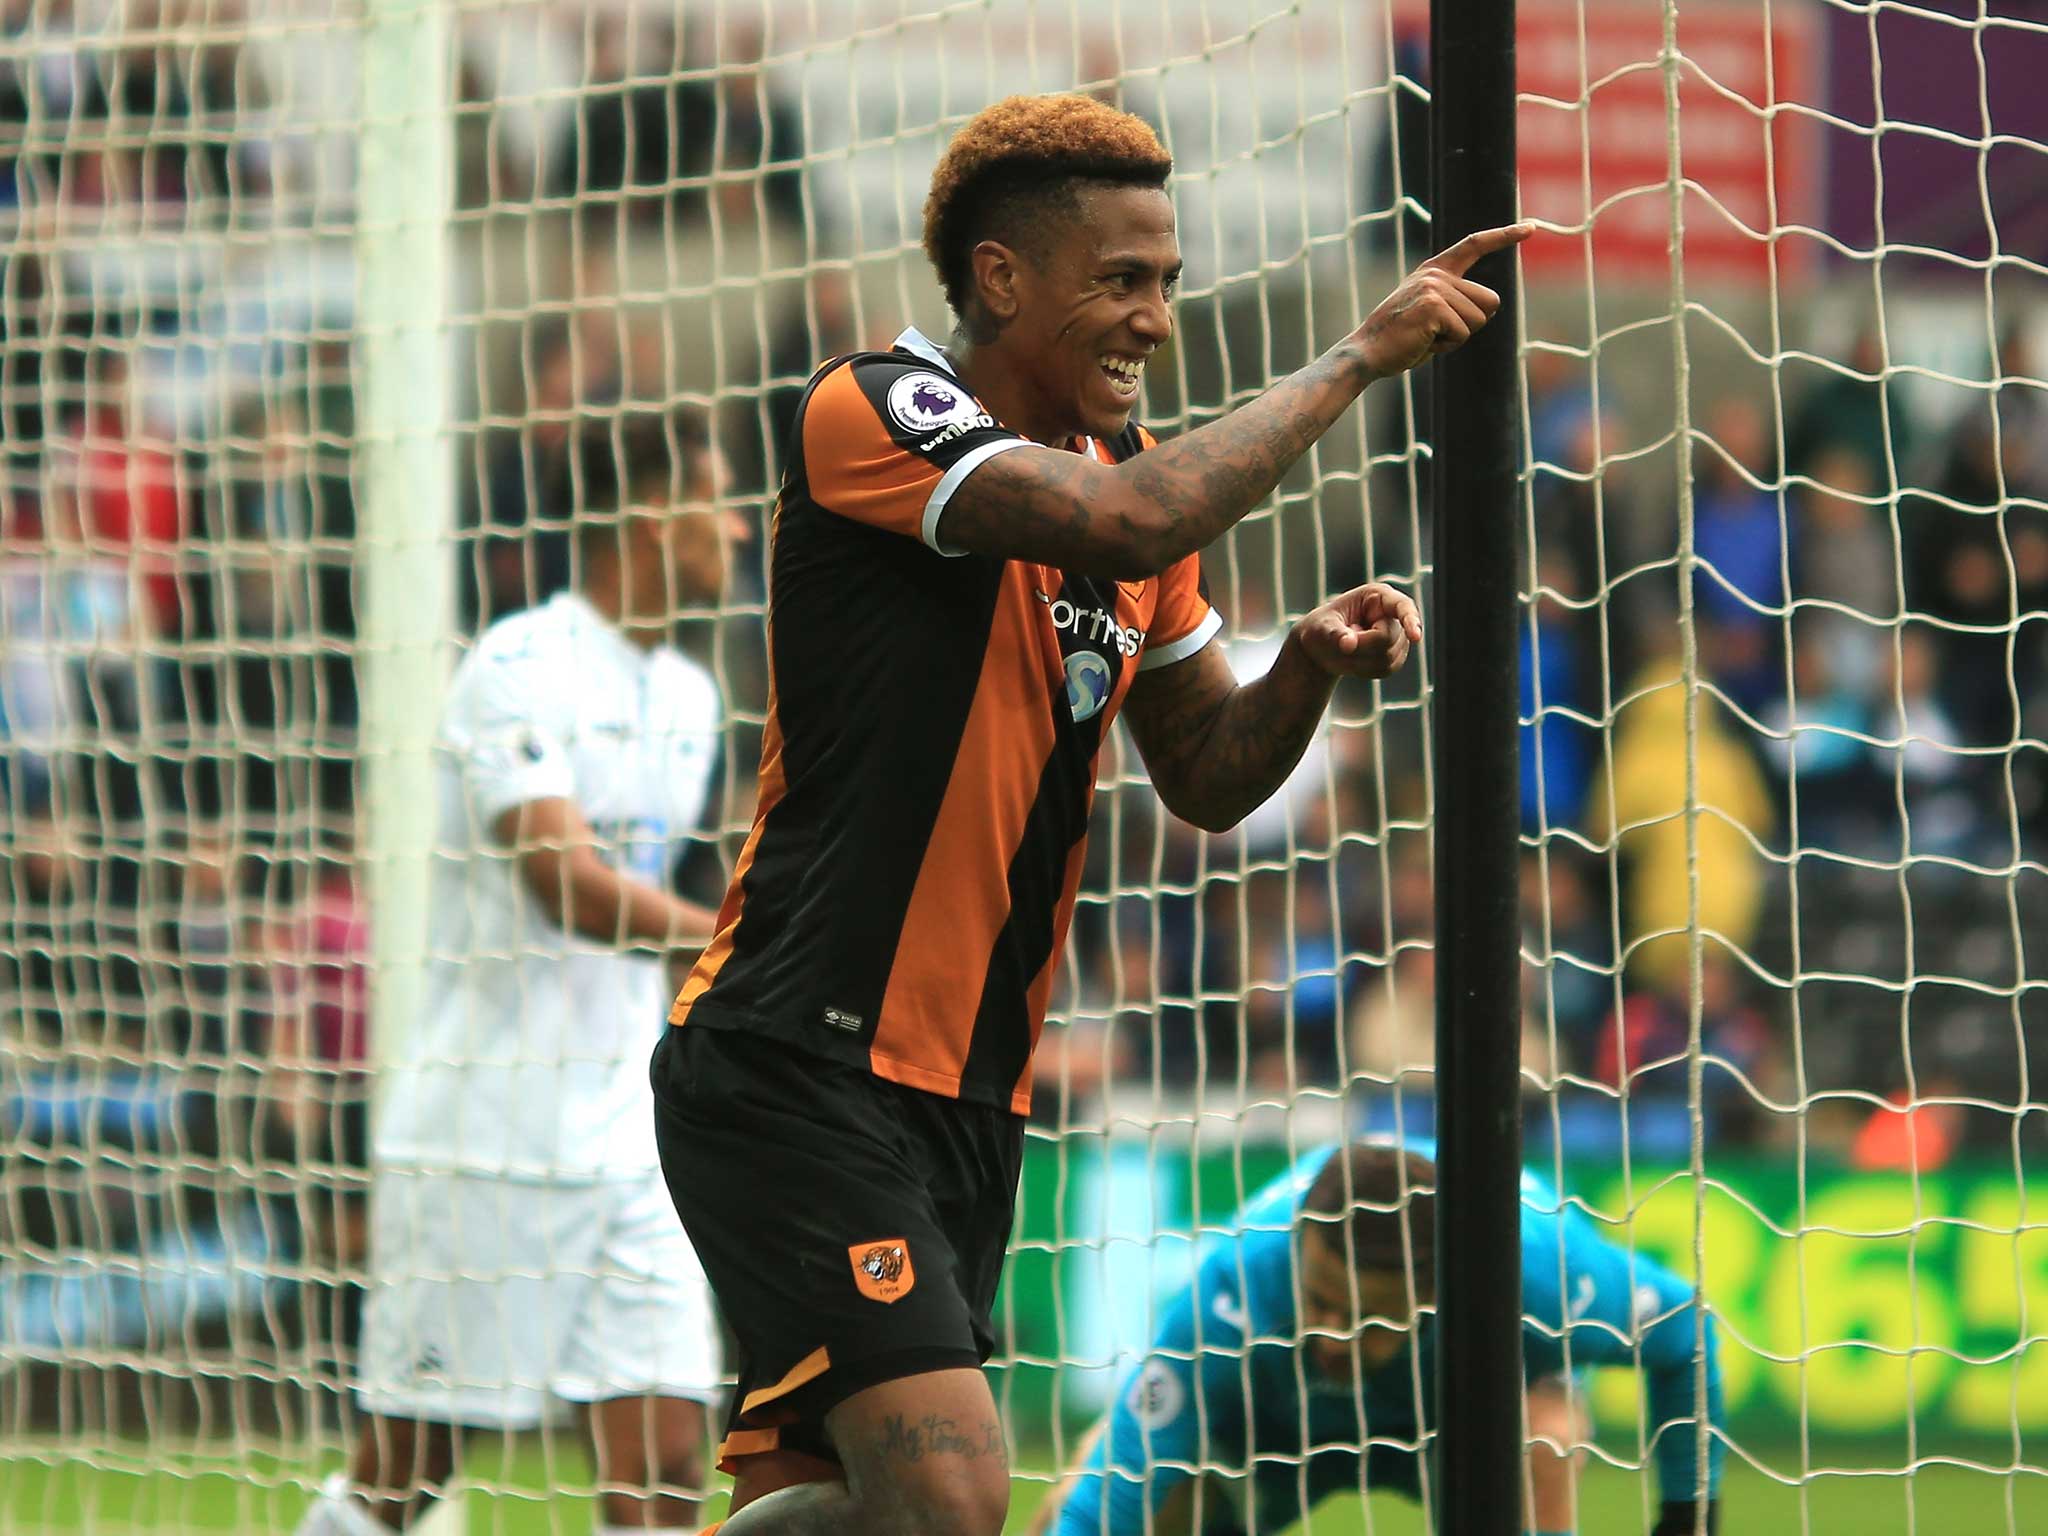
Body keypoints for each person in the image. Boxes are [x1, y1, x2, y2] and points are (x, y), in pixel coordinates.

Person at [650, 92, 1528, 1536]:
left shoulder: (1131, 497)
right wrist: (1360, 357)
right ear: (1003, 279)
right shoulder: (877, 408)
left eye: (1168, 284)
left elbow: (1205, 776)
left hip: (967, 1101)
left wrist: (1299, 668)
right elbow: (1125, 526)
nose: (1155, 320)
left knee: (860, 1508)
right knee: (953, 1496)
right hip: (792, 1061)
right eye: (1122, 281)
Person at [296, 409, 743, 1536]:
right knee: (407, 1476)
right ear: (651, 514)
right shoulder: (518, 665)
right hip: (484, 1133)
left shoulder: (688, 700)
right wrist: (731, 942)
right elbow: (568, 884)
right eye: (719, 501)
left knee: (668, 1463)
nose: (736, 530)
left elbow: (671, 899)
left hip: (624, 1139)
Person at [1036, 1139, 1724, 1536]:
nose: (1331, 1335)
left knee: (1546, 1432)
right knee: (1078, 1495)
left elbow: (1686, 1332)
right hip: (1272, 1434)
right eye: (1317, 1301)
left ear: (1434, 1297)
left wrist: (1686, 1519)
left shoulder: (1539, 1271)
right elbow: (1114, 1495)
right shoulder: (1236, 1281)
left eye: (1364, 1319)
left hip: (1464, 1433)